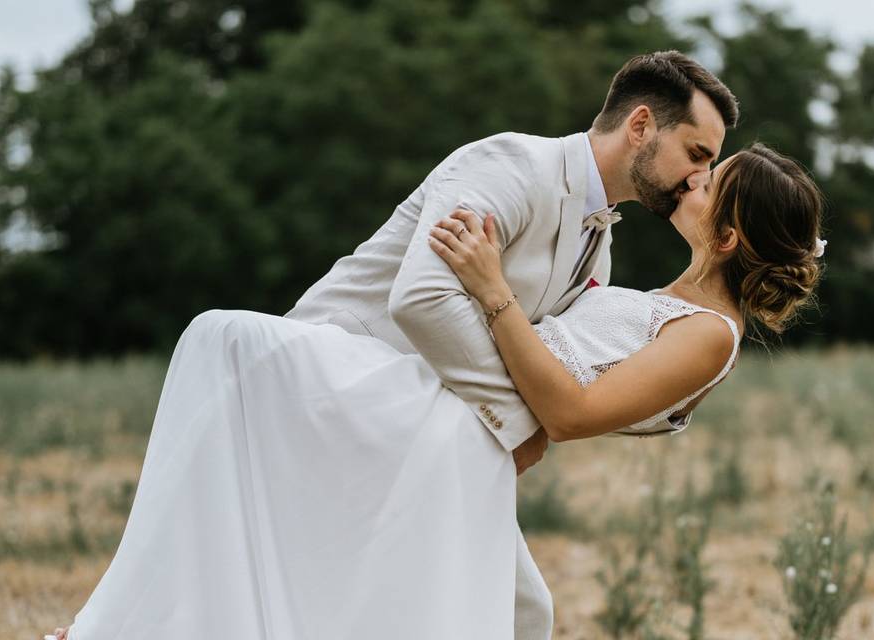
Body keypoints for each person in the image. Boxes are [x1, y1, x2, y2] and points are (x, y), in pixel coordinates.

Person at [49, 140, 824, 640]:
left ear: (726, 237)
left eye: (708, 182)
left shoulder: (709, 336)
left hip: (457, 434)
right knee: (518, 615)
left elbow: (570, 412)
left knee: (231, 341)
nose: (691, 178)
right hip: (456, 417)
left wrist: (492, 290)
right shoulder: (665, 297)